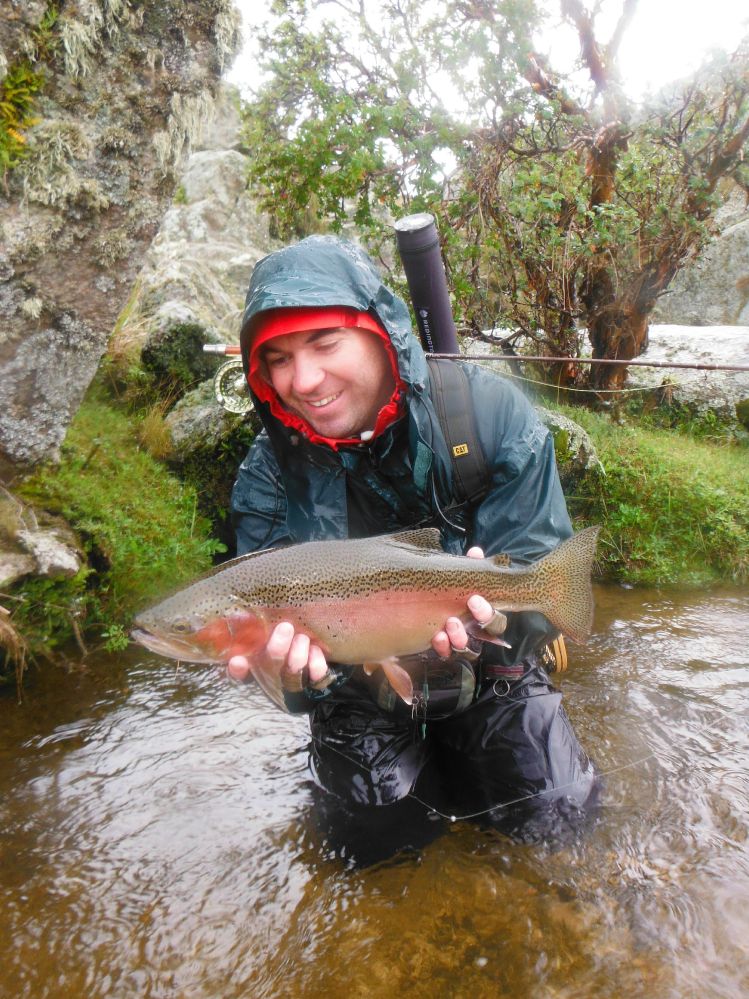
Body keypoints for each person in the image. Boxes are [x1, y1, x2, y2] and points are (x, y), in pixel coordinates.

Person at [228, 235, 597, 854]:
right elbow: (282, 660)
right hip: (358, 688)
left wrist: (503, 620)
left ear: (378, 331)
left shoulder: (486, 415)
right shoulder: (268, 474)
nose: (305, 380)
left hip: (494, 668)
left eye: (324, 343)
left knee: (562, 818)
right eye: (280, 360)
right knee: (370, 842)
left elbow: (535, 565)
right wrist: (292, 678)